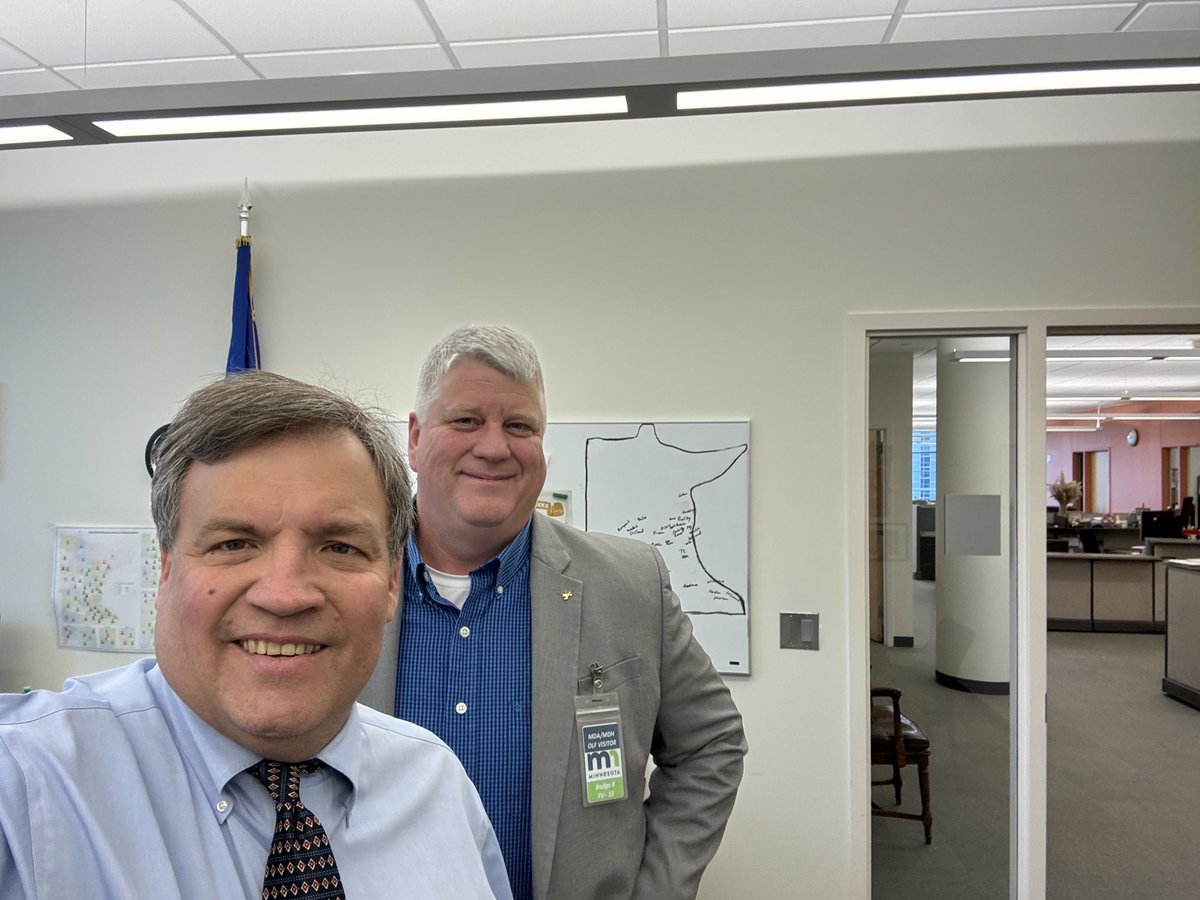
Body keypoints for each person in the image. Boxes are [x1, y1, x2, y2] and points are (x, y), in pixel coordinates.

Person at [0, 372, 512, 900]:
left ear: (389, 584)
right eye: (233, 543)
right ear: (167, 570)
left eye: (339, 547)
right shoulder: (27, 783)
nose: (285, 595)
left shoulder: (436, 784)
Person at [360, 325, 747, 900]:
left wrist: (659, 889)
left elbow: (711, 745)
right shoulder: (341, 587)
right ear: (414, 439)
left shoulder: (630, 585)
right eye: (466, 420)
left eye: (520, 426)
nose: (494, 447)